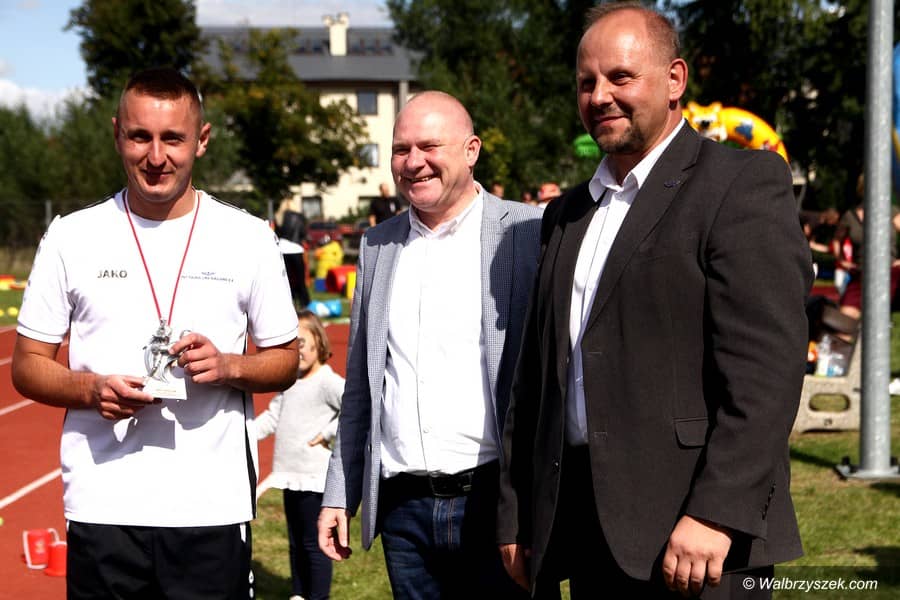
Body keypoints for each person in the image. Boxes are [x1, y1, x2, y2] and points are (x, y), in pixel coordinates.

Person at [497, 4, 812, 599]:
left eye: (621, 77)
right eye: (586, 82)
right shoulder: (565, 214)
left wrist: (717, 512)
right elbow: (536, 379)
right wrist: (519, 512)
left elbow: (767, 372)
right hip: (586, 531)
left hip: (698, 537)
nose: (600, 96)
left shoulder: (740, 184)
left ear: (674, 80)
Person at [11, 67, 300, 600]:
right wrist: (90, 389)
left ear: (202, 140)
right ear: (117, 133)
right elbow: (27, 365)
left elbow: (286, 358)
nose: (156, 156)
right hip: (103, 506)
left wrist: (230, 366)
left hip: (211, 509)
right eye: (140, 136)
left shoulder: (248, 238)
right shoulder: (71, 237)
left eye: (173, 138)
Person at [317, 90, 542, 599]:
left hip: (497, 502)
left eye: (429, 146)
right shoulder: (377, 245)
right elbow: (363, 385)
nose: (413, 162)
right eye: (401, 149)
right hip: (404, 511)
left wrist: (533, 505)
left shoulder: (528, 232)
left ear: (471, 150)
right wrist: (339, 493)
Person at [256, 310, 344, 600]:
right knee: (295, 541)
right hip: (289, 475)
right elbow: (272, 417)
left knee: (313, 542)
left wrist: (327, 433)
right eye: (292, 346)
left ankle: (317, 595)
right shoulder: (290, 381)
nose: (298, 352)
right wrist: (242, 433)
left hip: (313, 477)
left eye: (302, 343)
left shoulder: (327, 381)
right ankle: (298, 593)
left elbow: (353, 408)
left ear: (319, 341)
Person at [832, 174, 900, 320]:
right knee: (842, 321)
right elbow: (837, 240)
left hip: (890, 273)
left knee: (877, 315)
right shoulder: (850, 216)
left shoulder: (892, 212)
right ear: (862, 189)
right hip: (862, 274)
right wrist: (841, 260)